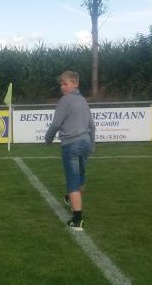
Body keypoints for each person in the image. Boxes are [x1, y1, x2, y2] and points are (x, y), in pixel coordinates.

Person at [45, 70, 96, 231]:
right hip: (85, 143)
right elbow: (92, 126)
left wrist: (48, 139)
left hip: (71, 144)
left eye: (65, 84)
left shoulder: (65, 101)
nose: (62, 87)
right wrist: (92, 145)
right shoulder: (83, 101)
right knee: (80, 177)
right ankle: (70, 199)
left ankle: (77, 220)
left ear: (75, 84)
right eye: (61, 84)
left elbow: (55, 124)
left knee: (73, 181)